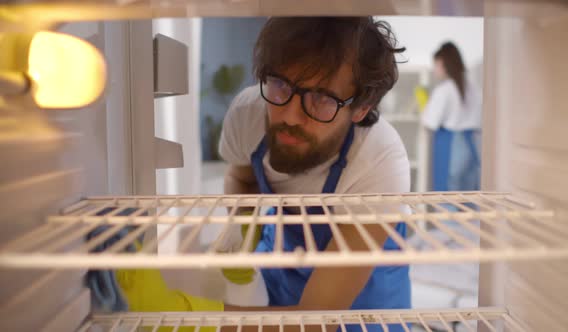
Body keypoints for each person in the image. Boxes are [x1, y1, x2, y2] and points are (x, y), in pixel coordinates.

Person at [115, 17, 411, 332]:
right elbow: (243, 178)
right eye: (281, 84)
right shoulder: (248, 114)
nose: (290, 116)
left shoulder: (379, 160)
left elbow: (314, 319)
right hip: (282, 267)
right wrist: (242, 224)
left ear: (361, 109)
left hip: (363, 298)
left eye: (322, 98)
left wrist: (187, 316)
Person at [421, 42, 482, 192]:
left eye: (435, 64)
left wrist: (424, 104)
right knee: (469, 197)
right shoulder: (474, 87)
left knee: (447, 197)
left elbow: (429, 122)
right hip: (472, 145)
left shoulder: (444, 90)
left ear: (442, 63)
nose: (434, 69)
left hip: (451, 146)